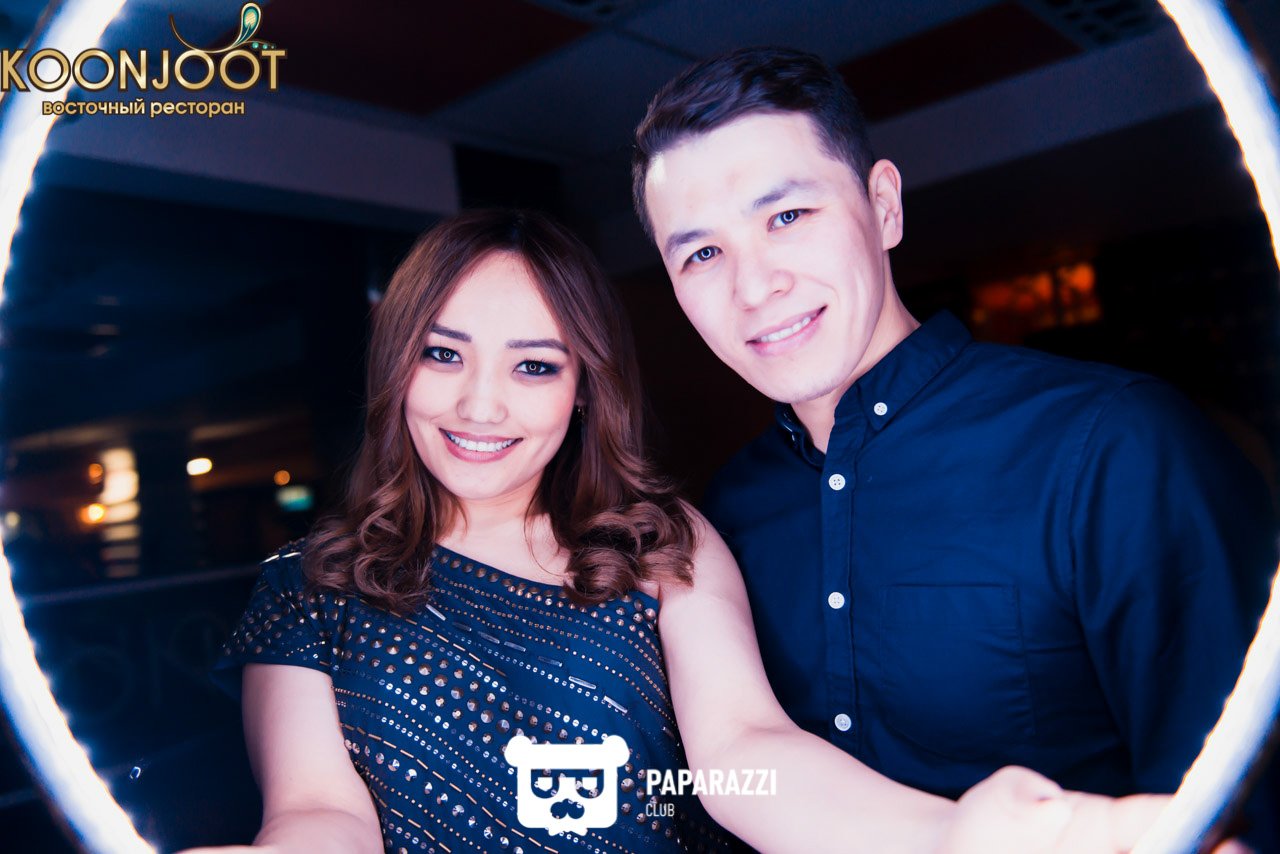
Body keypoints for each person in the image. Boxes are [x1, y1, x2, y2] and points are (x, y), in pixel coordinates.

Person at [208, 210, 1175, 854]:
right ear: (396, 366)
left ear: (584, 390)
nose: (481, 405)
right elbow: (320, 814)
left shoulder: (659, 542)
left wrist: (957, 837)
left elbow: (745, 757)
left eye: (535, 366)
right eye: (442, 354)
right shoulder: (308, 585)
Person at [631, 45, 1278, 841]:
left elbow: (1237, 811)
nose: (755, 286)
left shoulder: (1116, 445)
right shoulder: (725, 518)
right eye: (702, 253)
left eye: (787, 217)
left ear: (884, 207)